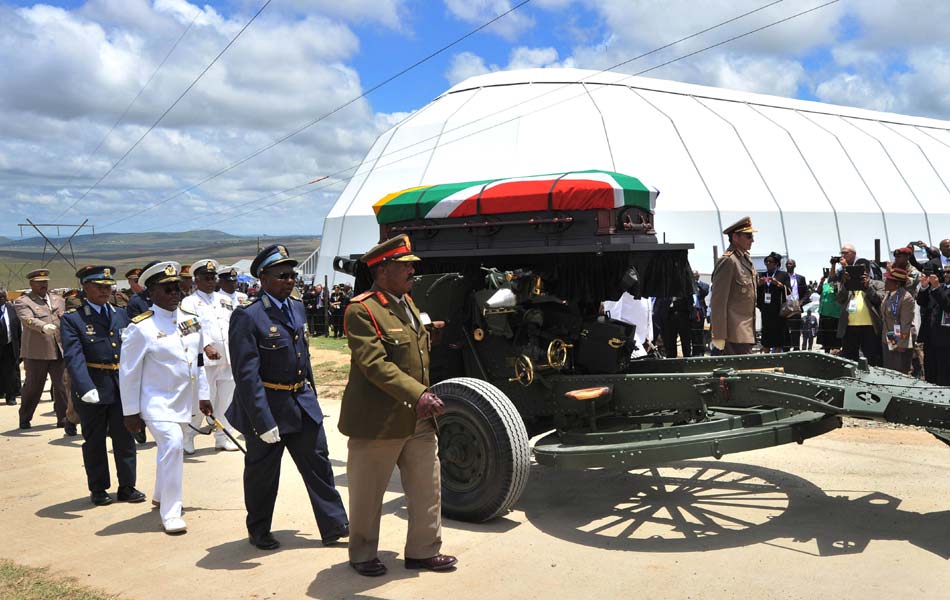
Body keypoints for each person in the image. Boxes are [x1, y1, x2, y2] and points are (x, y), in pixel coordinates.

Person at [341, 234, 457, 577]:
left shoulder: (408, 303)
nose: (412, 272)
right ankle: (362, 554)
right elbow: (375, 364)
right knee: (368, 493)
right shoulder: (362, 309)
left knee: (427, 488)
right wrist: (418, 394)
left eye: (411, 266)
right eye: (405, 266)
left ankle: (423, 551)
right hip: (378, 421)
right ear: (382, 268)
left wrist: (431, 332)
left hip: (417, 419)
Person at [226, 244, 348, 551]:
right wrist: (262, 420)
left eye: (291, 275)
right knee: (262, 475)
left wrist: (313, 398)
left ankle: (335, 525)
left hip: (301, 402)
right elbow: (246, 375)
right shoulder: (248, 317)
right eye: (281, 275)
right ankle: (259, 530)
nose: (289, 280)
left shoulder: (296, 307)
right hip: (269, 406)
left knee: (319, 465)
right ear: (263, 278)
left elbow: (303, 358)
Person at [119, 261, 210, 534]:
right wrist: (130, 412)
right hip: (155, 401)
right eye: (166, 288)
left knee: (170, 448)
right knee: (173, 445)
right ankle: (170, 512)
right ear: (151, 293)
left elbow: (198, 360)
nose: (174, 293)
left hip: (184, 401)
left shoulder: (190, 320)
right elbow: (128, 373)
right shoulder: (141, 328)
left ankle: (160, 494)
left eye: (177, 287)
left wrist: (203, 395)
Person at [61, 266, 144, 507]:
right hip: (93, 386)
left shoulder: (121, 314)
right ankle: (98, 488)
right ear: (85, 287)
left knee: (125, 437)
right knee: (95, 440)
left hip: (121, 386)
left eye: (108, 286)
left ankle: (127, 486)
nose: (105, 291)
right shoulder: (73, 319)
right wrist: (85, 386)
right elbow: (74, 357)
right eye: (99, 286)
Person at [180, 260, 239, 453]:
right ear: (196, 280)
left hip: (228, 358)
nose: (211, 281)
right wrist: (206, 346)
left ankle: (223, 437)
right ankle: (188, 436)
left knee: (226, 401)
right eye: (206, 278)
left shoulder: (224, 300)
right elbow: (190, 328)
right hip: (204, 362)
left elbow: (232, 326)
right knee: (204, 401)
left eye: (213, 277)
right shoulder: (189, 302)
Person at [14, 269, 73, 433]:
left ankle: (64, 419)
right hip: (36, 352)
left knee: (62, 386)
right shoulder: (23, 301)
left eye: (45, 281)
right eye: (39, 282)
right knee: (34, 386)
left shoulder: (58, 299)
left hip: (59, 349)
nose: (43, 285)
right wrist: (43, 326)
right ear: (31, 284)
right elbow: (27, 319)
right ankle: (25, 417)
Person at [710, 217, 757, 355]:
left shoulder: (745, 259)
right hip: (733, 334)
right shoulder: (728, 261)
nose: (752, 240)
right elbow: (718, 301)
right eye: (748, 236)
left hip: (744, 332)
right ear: (735, 237)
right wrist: (718, 334)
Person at [836, 263, 884, 366]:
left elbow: (878, 300)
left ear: (867, 272)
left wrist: (868, 287)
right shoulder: (848, 285)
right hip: (849, 328)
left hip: (870, 328)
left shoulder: (878, 284)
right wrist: (845, 284)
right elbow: (840, 300)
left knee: (871, 358)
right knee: (849, 360)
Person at [917, 267, 950, 385]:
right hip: (930, 338)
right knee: (930, 371)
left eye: (949, 272)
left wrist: (936, 287)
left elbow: (947, 305)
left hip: (946, 341)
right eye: (944, 272)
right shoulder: (938, 288)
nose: (945, 275)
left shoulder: (938, 289)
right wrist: (924, 286)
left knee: (944, 373)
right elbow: (922, 302)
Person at [879, 268, 915, 374]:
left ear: (897, 284)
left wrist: (902, 343)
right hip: (889, 336)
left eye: (888, 280)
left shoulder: (906, 298)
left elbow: (906, 323)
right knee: (889, 369)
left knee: (900, 370)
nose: (885, 282)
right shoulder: (889, 294)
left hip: (900, 339)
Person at [757, 252, 789, 353]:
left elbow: (788, 291)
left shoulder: (783, 275)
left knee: (778, 336)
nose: (768, 263)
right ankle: (766, 357)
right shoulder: (762, 275)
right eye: (766, 261)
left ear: (776, 264)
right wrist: (759, 284)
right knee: (766, 335)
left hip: (778, 310)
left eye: (770, 262)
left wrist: (778, 283)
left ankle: (777, 358)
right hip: (766, 309)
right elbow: (755, 291)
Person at [779, 259, 807, 350]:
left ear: (794, 265)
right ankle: (786, 350)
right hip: (785, 306)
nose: (788, 265)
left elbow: (806, 292)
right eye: (787, 264)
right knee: (785, 330)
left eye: (790, 264)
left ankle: (796, 349)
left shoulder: (800, 278)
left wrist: (801, 302)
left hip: (796, 306)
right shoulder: (782, 277)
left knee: (796, 331)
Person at [0, 288, 22, 406]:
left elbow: (18, 328)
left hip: (10, 346)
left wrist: (20, 345)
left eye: (3, 296)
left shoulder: (12, 309)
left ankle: (11, 396)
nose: (1, 298)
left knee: (11, 372)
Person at [690, 271, 710, 356]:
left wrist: (696, 283)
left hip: (700, 312)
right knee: (692, 333)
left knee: (700, 332)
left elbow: (704, 291)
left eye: (695, 275)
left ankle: (701, 351)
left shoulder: (703, 285)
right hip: (691, 312)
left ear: (698, 276)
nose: (694, 277)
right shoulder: (689, 286)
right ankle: (694, 351)